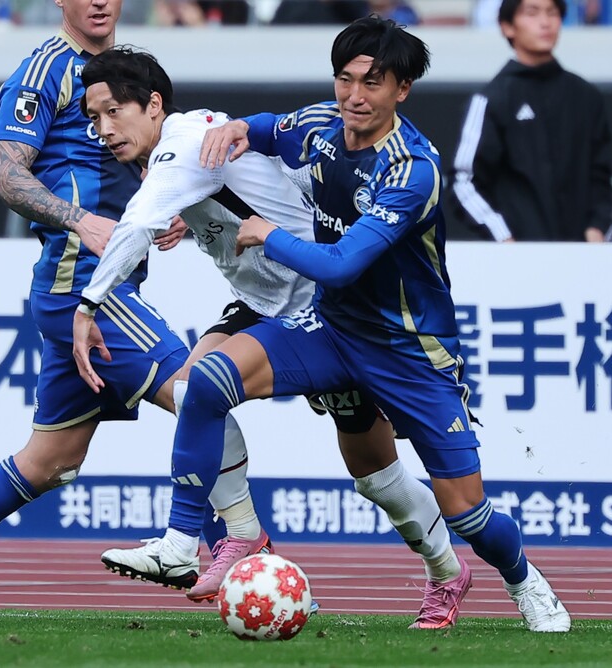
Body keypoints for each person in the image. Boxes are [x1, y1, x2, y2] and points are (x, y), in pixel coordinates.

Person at [108, 16, 572, 633]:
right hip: (329, 328)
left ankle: (522, 580)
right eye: (344, 79)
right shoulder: (323, 124)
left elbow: (343, 264)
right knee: (205, 383)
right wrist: (237, 129)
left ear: (402, 89)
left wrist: (267, 235)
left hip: (407, 349)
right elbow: (270, 130)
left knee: (461, 509)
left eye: (372, 83)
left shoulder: (411, 170)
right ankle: (193, 540)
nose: (354, 96)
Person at [0, 0, 249, 617]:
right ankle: (245, 562)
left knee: (49, 460)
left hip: (89, 286)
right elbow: (5, 175)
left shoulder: (123, 72)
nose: (98, 1)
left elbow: (133, 167)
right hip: (84, 287)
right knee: (199, 392)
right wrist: (81, 221)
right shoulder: (44, 69)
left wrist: (163, 211)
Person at [72, 45, 472, 627]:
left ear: (154, 105)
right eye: (95, 118)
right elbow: (244, 182)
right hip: (264, 306)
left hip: (324, 310)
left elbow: (135, 223)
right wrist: (197, 216)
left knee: (375, 474)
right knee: (193, 389)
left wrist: (88, 306)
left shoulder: (183, 146)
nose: (104, 129)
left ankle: (446, 568)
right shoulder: (179, 154)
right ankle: (237, 537)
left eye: (114, 112)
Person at [451, 0, 612, 242]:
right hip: (518, 259)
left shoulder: (586, 96)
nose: (545, 22)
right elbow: (464, 182)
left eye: (552, 13)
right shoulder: (491, 99)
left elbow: (601, 179)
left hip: (584, 256)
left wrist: (597, 230)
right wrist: (504, 238)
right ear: (507, 27)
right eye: (532, 13)